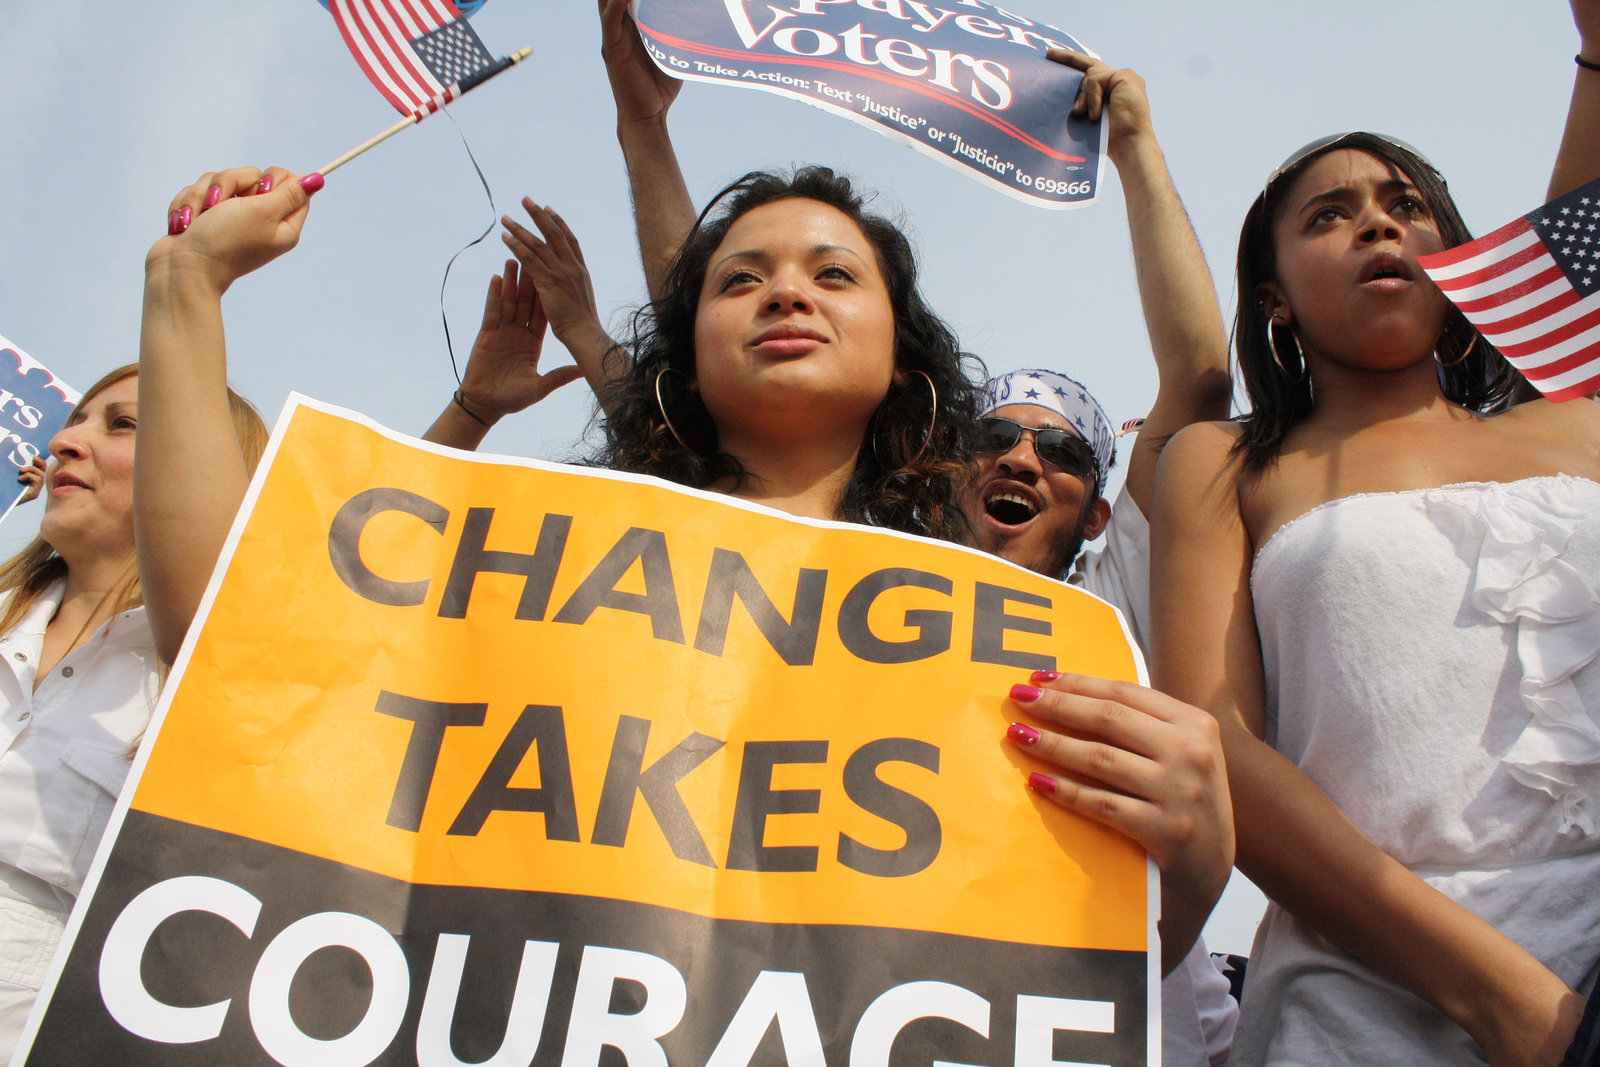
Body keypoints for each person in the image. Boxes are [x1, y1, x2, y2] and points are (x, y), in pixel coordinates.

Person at [1150, 3, 1600, 1062]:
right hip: (1366, 1006)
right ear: (1273, 298)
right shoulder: (1222, 465)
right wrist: (1508, 1001)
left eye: (1407, 207)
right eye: (1329, 215)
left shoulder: (1578, 424)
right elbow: (1217, 743)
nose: (1380, 226)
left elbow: (1581, 226)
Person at [0, 363, 266, 1058]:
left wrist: (468, 416)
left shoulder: (210, 676)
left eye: (120, 425)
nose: (66, 441)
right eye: (76, 419)